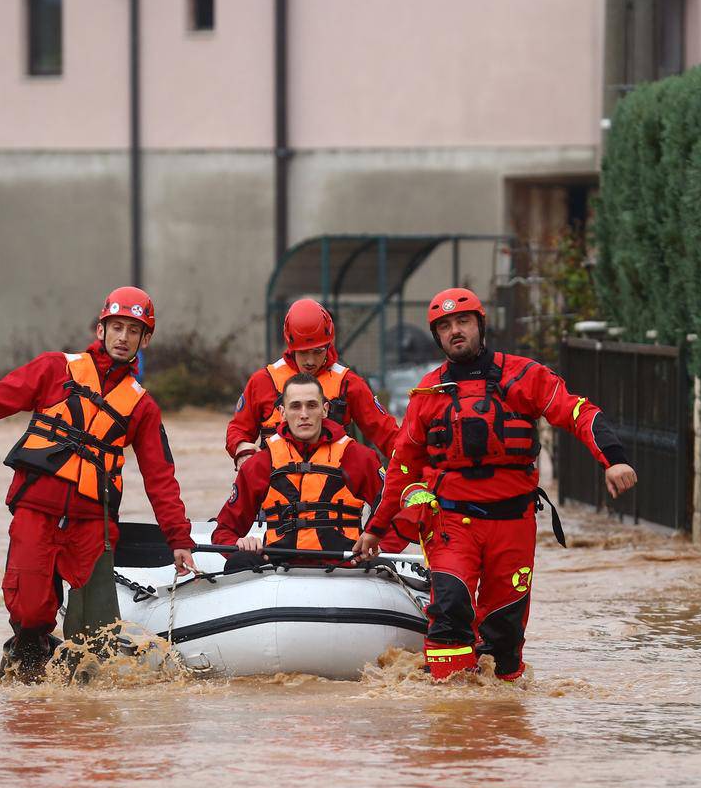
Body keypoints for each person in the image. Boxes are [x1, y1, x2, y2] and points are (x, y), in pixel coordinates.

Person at [0, 287, 197, 683]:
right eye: (117, 326)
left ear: (146, 340)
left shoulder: (142, 406)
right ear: (102, 327)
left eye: (134, 330)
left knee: (95, 632)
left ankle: (84, 712)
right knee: (31, 612)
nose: (123, 337)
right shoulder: (56, 369)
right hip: (37, 511)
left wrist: (179, 538)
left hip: (92, 524)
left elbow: (161, 479)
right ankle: (31, 688)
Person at [352, 287, 637, 682]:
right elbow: (401, 467)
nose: (456, 331)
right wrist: (376, 531)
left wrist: (614, 458)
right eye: (446, 326)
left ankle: (499, 721)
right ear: (437, 336)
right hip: (450, 523)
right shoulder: (427, 395)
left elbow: (577, 411)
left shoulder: (525, 376)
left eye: (463, 322)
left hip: (513, 522)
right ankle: (451, 717)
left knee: (504, 632)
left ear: (480, 326)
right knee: (450, 610)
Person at [213, 373, 411, 571]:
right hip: (277, 570)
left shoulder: (359, 457)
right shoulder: (260, 464)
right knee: (239, 562)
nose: (304, 414)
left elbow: (400, 514)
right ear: (282, 412)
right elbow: (224, 531)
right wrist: (241, 545)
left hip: (346, 567)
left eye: (312, 405)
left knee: (381, 567)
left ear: (325, 410)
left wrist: (379, 547)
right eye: (295, 406)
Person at [225, 298, 399, 469]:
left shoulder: (348, 383)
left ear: (329, 344)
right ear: (290, 345)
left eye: (318, 352)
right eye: (303, 352)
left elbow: (386, 433)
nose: (310, 360)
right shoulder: (263, 381)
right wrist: (241, 449)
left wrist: (410, 469)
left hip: (334, 488)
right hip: (275, 487)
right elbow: (239, 428)